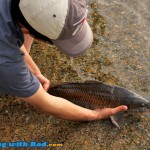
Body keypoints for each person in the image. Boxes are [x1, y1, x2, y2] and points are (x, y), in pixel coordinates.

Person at [0, 0, 127, 121]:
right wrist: (95, 114)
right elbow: (45, 103)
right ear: (25, 30)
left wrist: (32, 69)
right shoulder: (7, 62)